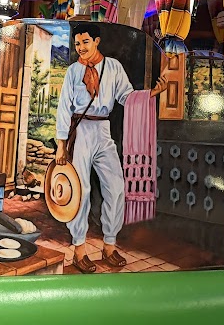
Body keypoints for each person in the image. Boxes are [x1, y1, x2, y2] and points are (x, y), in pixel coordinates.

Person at [55, 23, 168, 273]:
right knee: (81, 190)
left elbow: (127, 97)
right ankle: (79, 250)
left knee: (116, 186)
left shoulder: (113, 67)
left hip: (103, 130)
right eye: (77, 44)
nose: (80, 47)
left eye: (85, 42)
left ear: (96, 41)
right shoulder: (73, 71)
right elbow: (64, 107)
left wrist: (152, 93)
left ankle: (109, 245)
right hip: (80, 131)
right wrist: (61, 145)